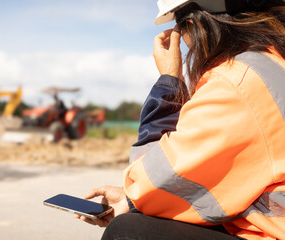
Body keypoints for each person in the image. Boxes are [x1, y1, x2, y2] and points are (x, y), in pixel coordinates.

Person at [76, 0, 285, 239]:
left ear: (195, 24)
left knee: (127, 230)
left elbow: (156, 179)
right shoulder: (273, 63)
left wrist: (169, 82)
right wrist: (132, 199)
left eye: (180, 27)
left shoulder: (238, 83)